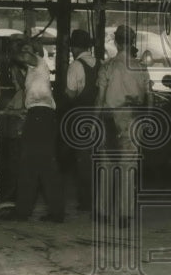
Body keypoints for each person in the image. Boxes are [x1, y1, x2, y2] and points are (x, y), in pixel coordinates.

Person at [95, 25, 154, 226]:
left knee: (106, 166)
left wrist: (95, 121)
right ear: (132, 42)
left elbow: (100, 98)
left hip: (110, 118)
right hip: (133, 119)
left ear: (116, 42)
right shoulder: (141, 68)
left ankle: (103, 213)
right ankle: (125, 216)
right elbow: (150, 98)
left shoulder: (107, 67)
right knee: (128, 169)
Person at [7, 38, 64, 223]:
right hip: (40, 116)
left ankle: (24, 211)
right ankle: (53, 212)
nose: (26, 53)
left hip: (41, 116)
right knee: (42, 166)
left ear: (35, 52)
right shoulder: (33, 72)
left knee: (31, 165)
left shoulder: (39, 61)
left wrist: (12, 50)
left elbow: (23, 56)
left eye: (28, 49)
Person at [62, 29, 100, 212]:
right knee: (98, 159)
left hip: (82, 117)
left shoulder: (75, 65)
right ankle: (100, 199)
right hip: (99, 116)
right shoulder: (100, 63)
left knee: (83, 160)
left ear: (74, 47)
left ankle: (86, 202)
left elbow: (70, 93)